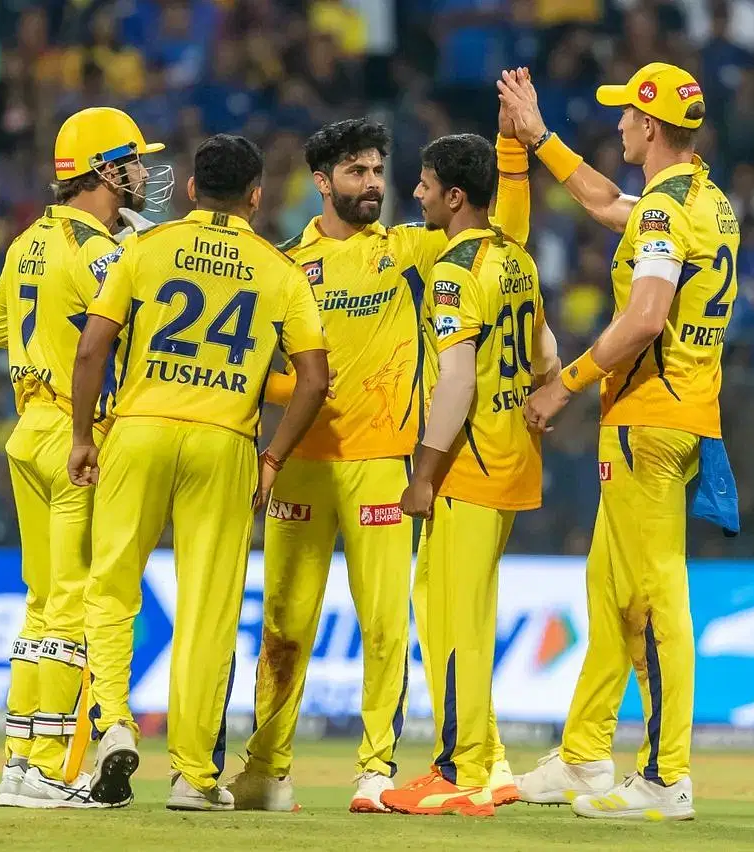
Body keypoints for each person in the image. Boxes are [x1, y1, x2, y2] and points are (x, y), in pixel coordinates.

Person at [230, 107, 531, 813]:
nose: (372, 184)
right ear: (321, 182)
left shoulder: (406, 248)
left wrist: (512, 153)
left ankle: (375, 769)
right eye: (356, 172)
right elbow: (258, 372)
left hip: (382, 467)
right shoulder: (284, 266)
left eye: (376, 171)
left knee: (387, 626)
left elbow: (499, 234)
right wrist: (300, 395)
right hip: (302, 462)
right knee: (284, 622)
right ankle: (266, 770)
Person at [501, 62, 740, 821]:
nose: (619, 126)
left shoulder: (667, 214)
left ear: (651, 126)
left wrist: (562, 384)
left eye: (626, 117)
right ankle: (585, 757)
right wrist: (540, 140)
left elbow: (643, 318)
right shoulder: (704, 200)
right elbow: (608, 203)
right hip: (677, 412)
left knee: (655, 593)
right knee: (610, 592)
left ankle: (667, 778)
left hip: (649, 416)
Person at [70, 134, 329, 811]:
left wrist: (80, 433)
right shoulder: (280, 269)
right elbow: (314, 379)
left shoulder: (143, 249)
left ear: (189, 189)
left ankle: (115, 722)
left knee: (112, 585)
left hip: (139, 429)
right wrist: (273, 456)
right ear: (255, 196)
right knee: (208, 609)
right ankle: (191, 775)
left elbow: (93, 346)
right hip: (224, 438)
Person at [0, 106, 171, 809]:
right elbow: (144, 330)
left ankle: (19, 761)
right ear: (103, 171)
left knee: (39, 605)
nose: (143, 173)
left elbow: (0, 325)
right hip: (77, 437)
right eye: (133, 161)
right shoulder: (103, 252)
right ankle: (49, 773)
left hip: (28, 428)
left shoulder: (25, 241)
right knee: (72, 606)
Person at [377, 134, 558, 817]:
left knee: (452, 622)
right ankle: (491, 763)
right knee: (472, 617)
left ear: (455, 196)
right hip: (510, 457)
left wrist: (423, 473)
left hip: (467, 466)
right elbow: (546, 350)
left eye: (425, 185)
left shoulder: (453, 271)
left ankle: (455, 768)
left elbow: (454, 382)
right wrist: (541, 396)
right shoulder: (516, 259)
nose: (416, 194)